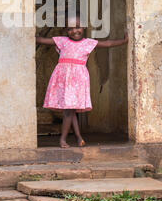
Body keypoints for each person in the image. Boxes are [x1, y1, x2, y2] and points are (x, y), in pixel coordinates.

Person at [36, 14, 128, 148]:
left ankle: (63, 139)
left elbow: (107, 43)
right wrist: (26, 34)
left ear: (83, 26)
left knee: (69, 111)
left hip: (77, 81)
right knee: (70, 110)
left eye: (78, 27)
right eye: (70, 29)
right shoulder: (62, 41)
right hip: (63, 80)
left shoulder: (88, 43)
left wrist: (123, 41)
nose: (74, 31)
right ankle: (79, 138)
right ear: (66, 30)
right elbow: (42, 40)